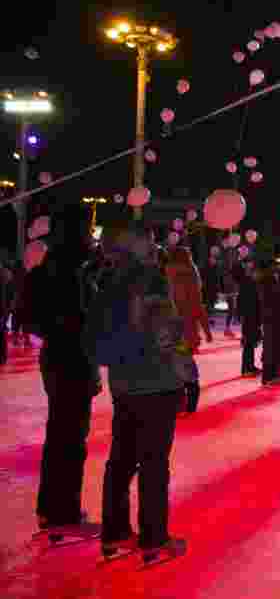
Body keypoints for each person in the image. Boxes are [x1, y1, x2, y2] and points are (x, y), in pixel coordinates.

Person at [84, 223, 187, 564]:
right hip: (156, 381)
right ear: (140, 247)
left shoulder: (106, 283)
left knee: (121, 459)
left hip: (124, 383)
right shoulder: (152, 279)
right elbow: (165, 331)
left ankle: (114, 534)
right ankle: (154, 539)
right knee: (154, 462)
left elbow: (94, 336)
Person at [21, 205, 102, 535]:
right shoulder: (75, 274)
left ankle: (50, 508)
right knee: (70, 438)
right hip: (74, 360)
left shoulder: (44, 270)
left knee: (59, 435)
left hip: (55, 357)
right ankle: (63, 511)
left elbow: (29, 317)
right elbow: (91, 320)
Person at [164, 246, 214, 413]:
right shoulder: (189, 275)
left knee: (172, 367)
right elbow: (197, 305)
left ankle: (177, 403)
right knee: (187, 367)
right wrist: (206, 330)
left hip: (166, 329)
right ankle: (189, 404)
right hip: (185, 329)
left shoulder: (163, 274)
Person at [255, 258, 280, 387]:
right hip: (270, 317)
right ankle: (268, 377)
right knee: (270, 347)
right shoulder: (264, 280)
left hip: (278, 317)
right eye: (276, 265)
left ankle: (275, 375)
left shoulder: (278, 278)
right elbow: (271, 297)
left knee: (277, 347)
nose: (278, 267)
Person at [235, 261, 262, 377]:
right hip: (250, 316)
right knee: (248, 343)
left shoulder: (249, 282)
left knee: (249, 343)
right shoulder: (248, 282)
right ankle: (247, 368)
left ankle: (249, 366)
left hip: (250, 316)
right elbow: (246, 300)